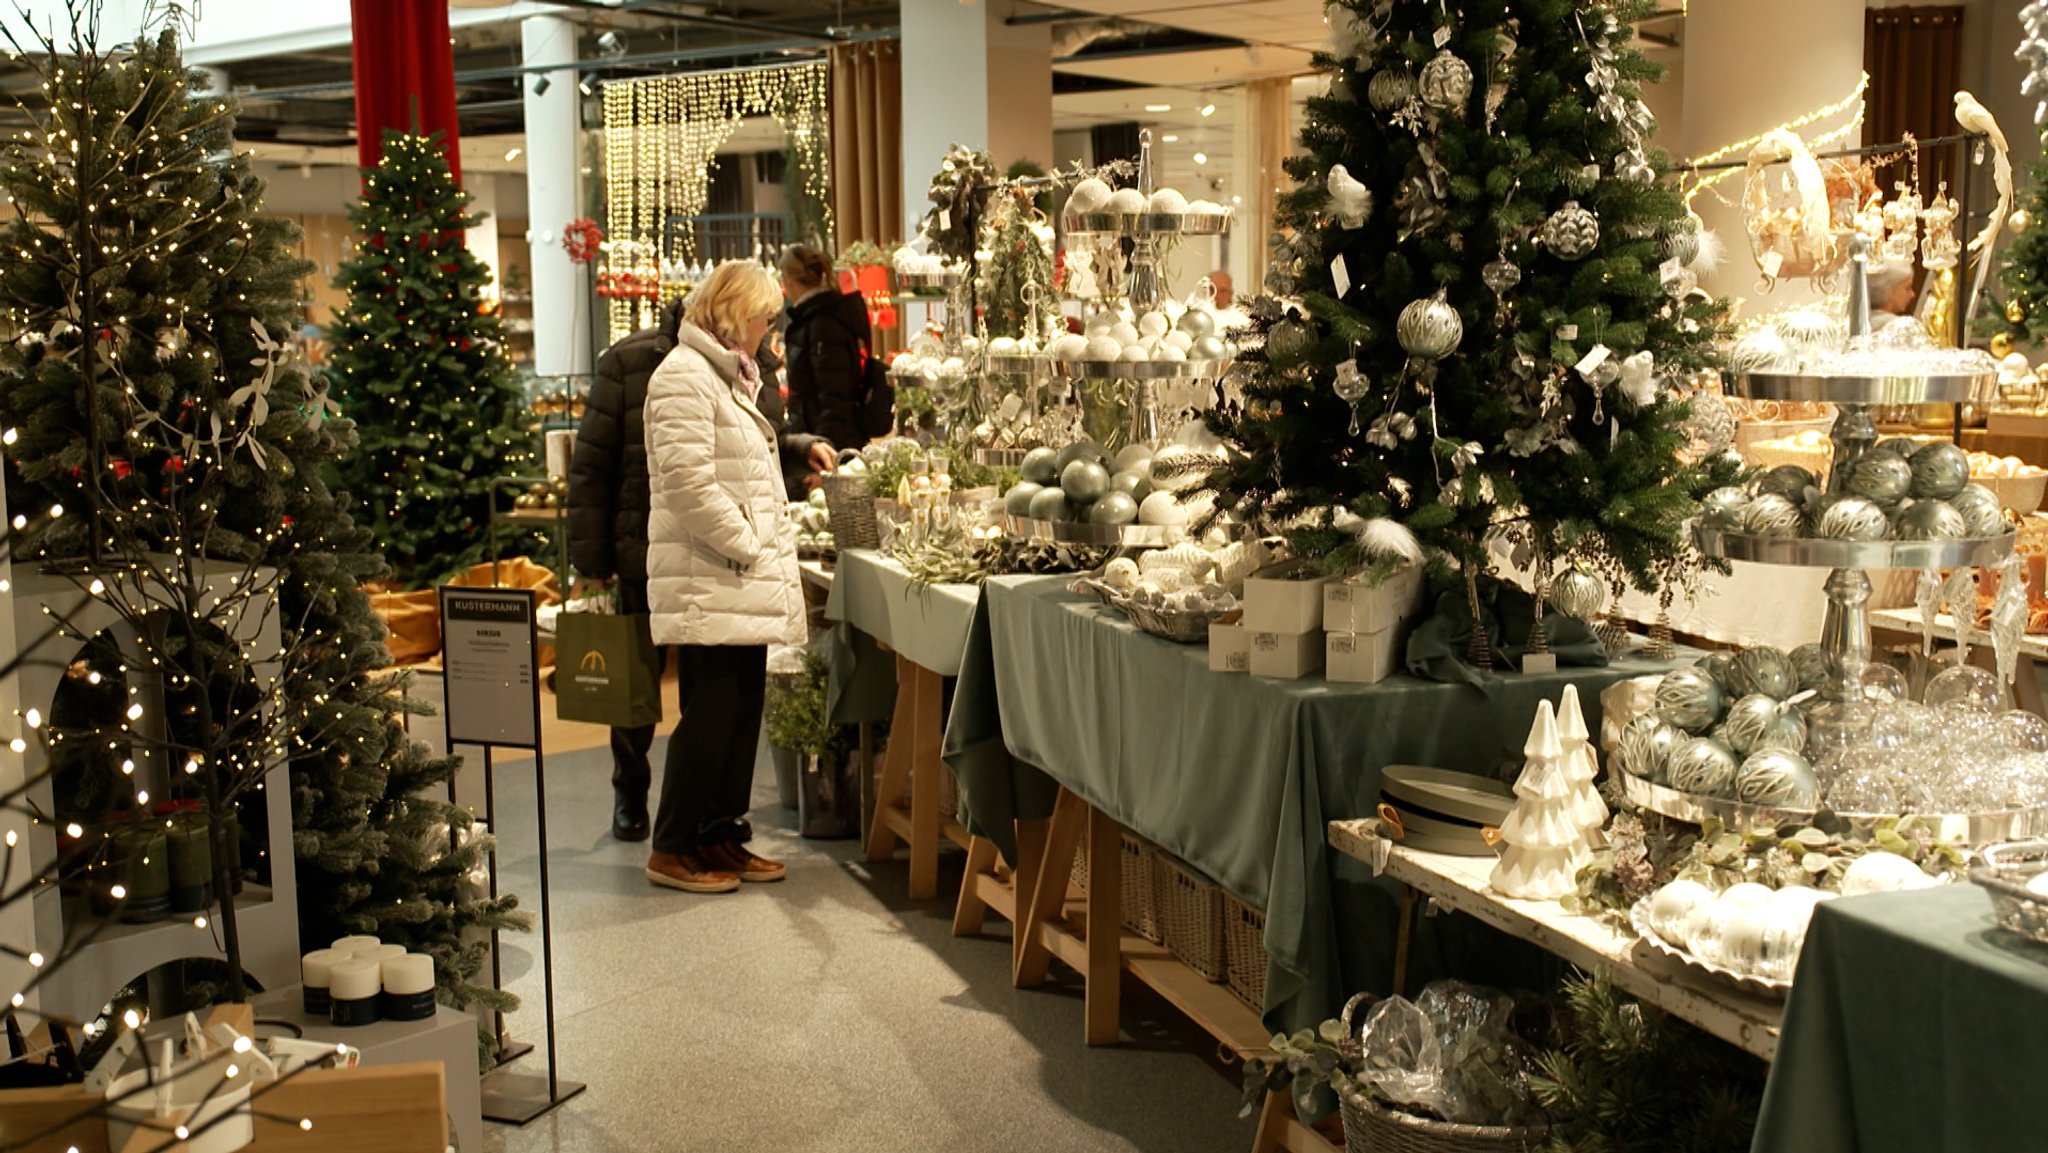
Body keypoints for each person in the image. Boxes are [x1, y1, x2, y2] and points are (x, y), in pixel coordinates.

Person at [568, 287, 828, 852]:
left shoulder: (750, 366)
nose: (768, 328)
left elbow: (759, 440)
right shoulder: (637, 361)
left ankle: (709, 826)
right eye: (761, 317)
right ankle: (631, 793)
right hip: (646, 549)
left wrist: (798, 448)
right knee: (635, 691)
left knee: (713, 701)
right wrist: (590, 561)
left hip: (714, 557)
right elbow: (592, 465)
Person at [627, 260, 808, 893]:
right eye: (763, 320)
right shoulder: (683, 377)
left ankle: (717, 834)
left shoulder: (724, 376)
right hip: (711, 575)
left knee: (739, 713)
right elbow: (687, 484)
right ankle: (673, 847)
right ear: (735, 316)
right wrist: (748, 541)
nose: (768, 331)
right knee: (709, 716)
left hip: (735, 577)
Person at [779, 244, 876, 454]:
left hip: (829, 447)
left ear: (787, 280)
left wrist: (823, 455)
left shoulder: (822, 324)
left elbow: (834, 398)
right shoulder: (826, 316)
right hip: (822, 442)